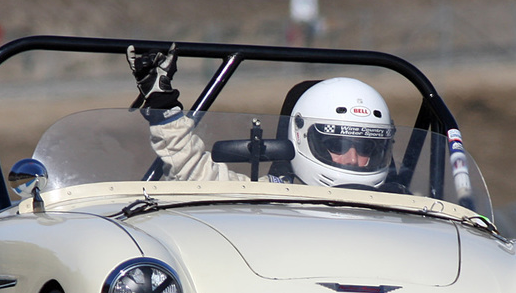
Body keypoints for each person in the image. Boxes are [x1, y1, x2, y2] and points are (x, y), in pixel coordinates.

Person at [127, 45, 397, 188]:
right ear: (300, 137)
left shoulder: (409, 210)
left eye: (367, 148)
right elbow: (193, 174)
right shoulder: (271, 199)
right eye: (336, 144)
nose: (353, 159)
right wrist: (164, 108)